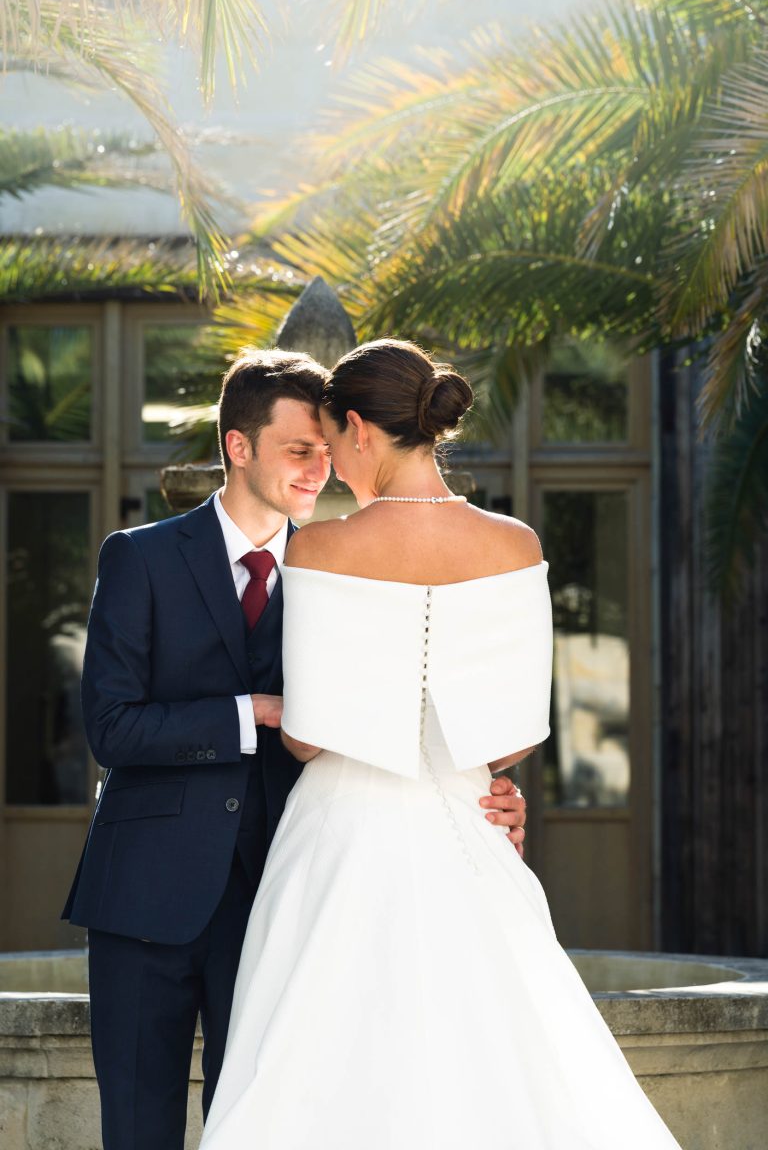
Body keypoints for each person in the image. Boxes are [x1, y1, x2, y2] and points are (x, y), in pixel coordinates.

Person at [199, 339, 683, 1149]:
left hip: (342, 831)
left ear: (359, 429)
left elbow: (312, 739)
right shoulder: (517, 544)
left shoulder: (319, 546)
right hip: (468, 825)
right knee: (503, 1048)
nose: (328, 469)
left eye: (330, 442)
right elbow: (521, 734)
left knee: (316, 1059)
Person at [62, 346, 527, 1150]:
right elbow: (111, 728)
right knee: (136, 1130)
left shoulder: (343, 564)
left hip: (281, 895)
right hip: (146, 896)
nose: (320, 469)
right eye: (298, 450)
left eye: (327, 448)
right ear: (239, 447)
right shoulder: (138, 558)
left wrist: (478, 786)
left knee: (260, 1128)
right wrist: (250, 713)